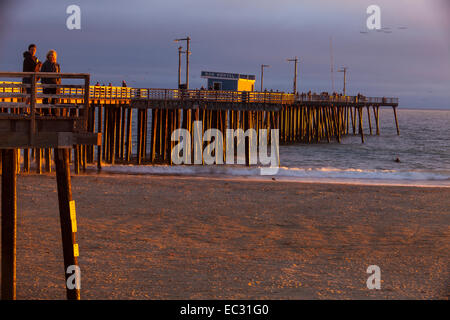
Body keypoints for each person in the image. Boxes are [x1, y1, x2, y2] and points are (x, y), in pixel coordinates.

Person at [40, 50, 61, 114]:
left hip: (55, 84)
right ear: (48, 56)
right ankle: (45, 113)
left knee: (54, 100)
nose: (52, 56)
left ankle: (53, 112)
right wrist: (43, 84)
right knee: (45, 99)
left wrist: (58, 83)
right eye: (50, 55)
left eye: (53, 55)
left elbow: (59, 75)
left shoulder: (57, 65)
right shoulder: (45, 64)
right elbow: (42, 74)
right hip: (46, 84)